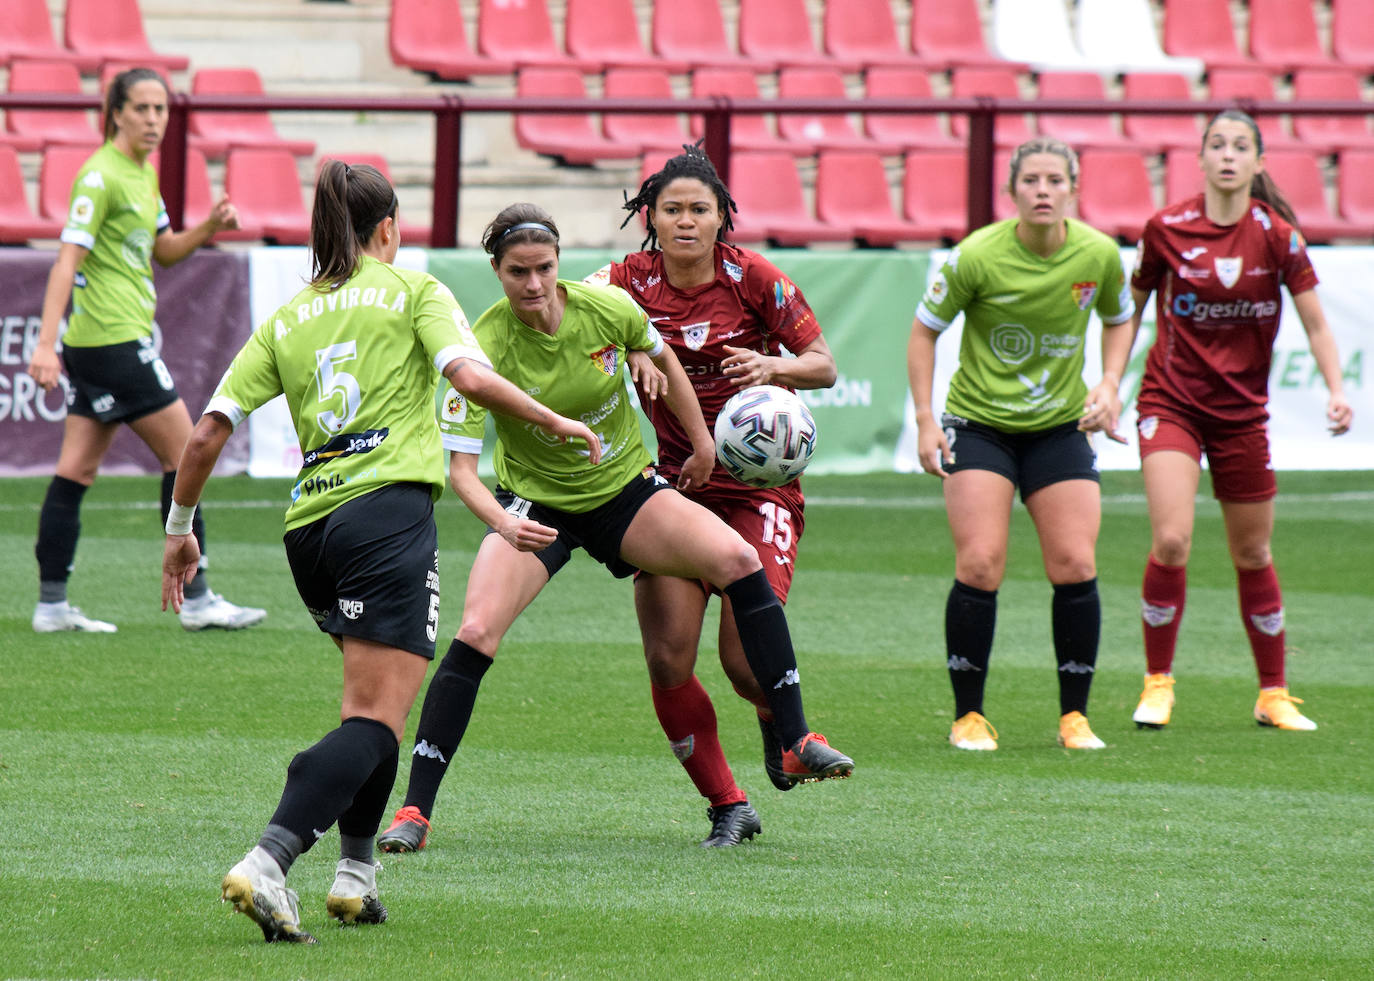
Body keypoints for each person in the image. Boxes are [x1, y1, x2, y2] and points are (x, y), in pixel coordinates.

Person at [161, 163, 600, 944]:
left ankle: (356, 877)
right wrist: (554, 421)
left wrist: (180, 531)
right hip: (386, 515)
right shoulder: (413, 291)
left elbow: (204, 434)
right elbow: (471, 374)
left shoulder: (289, 317)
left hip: (309, 530)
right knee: (374, 720)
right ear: (388, 229)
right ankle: (269, 858)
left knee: (371, 706)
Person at [377, 202, 853, 854]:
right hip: (533, 507)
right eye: (518, 272)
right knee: (476, 630)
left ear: (559, 263)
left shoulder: (608, 309)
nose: (535, 284)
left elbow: (663, 358)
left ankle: (795, 738)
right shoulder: (479, 348)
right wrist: (500, 524)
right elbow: (460, 470)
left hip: (625, 493)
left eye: (544, 268)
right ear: (497, 270)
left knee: (738, 559)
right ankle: (414, 811)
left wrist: (700, 444)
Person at [587, 143, 840, 843]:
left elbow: (824, 365)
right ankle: (728, 804)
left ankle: (773, 719)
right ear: (651, 218)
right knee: (669, 658)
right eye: (673, 210)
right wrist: (630, 340)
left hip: (760, 491)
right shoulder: (627, 280)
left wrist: (771, 363)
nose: (687, 221)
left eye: (701, 209)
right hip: (674, 486)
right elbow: (578, 304)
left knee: (742, 663)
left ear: (722, 217)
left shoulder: (755, 278)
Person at [1090, 110, 1353, 733]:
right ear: (1201, 159)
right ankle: (1158, 685)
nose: (1228, 155)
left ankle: (1273, 693)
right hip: (1170, 404)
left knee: (1254, 551)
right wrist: (1109, 383)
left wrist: (1337, 390)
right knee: (1173, 540)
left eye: (1241, 146)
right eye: (1217, 144)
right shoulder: (1165, 230)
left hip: (1242, 417)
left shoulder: (1279, 236)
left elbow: (1317, 323)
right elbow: (1129, 313)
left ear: (1258, 162)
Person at [907, 136, 1135, 752]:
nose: (1042, 190)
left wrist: (1111, 382)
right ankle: (969, 716)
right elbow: (923, 334)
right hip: (979, 425)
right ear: (1012, 191)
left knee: (1076, 564)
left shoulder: (1099, 254)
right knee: (980, 562)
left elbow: (1120, 317)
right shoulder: (975, 256)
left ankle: (1075, 718)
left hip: (1061, 428)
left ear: (1073, 189)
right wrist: (928, 420)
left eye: (1054, 180)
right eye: (1030, 180)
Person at [26, 66, 263, 633]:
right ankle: (199, 598)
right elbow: (66, 260)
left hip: (103, 344)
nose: (155, 120)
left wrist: (207, 226)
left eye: (162, 110)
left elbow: (166, 252)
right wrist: (43, 343)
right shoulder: (99, 177)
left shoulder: (140, 175)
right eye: (143, 109)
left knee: (76, 470)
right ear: (116, 112)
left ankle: (51, 606)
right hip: (110, 341)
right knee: (187, 456)